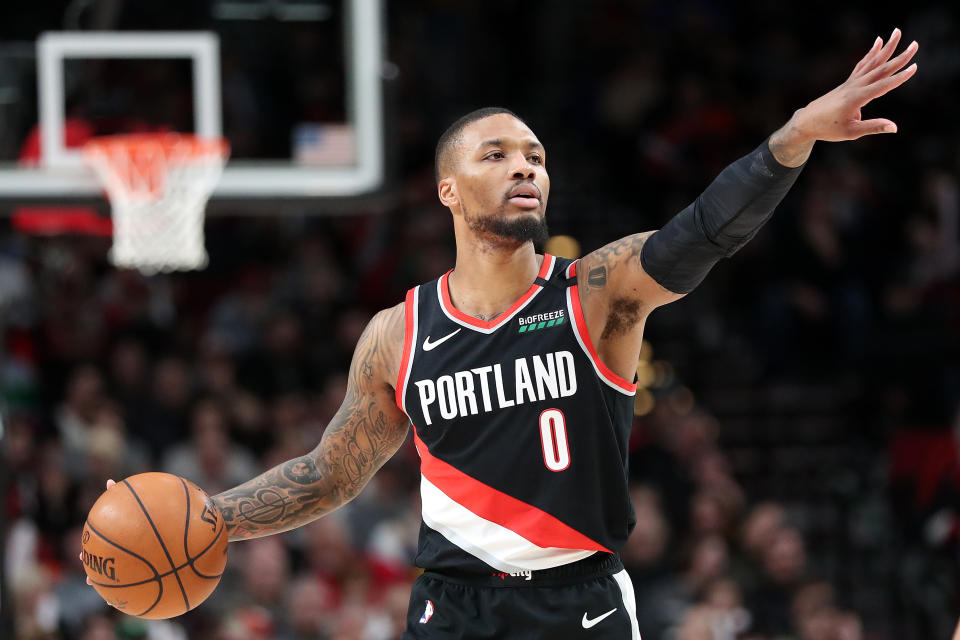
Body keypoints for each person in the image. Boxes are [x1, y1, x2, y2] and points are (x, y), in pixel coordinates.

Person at [86, 29, 918, 639]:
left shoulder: (595, 294)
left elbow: (701, 232)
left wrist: (792, 139)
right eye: (497, 154)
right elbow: (328, 474)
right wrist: (215, 519)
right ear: (448, 190)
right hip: (452, 608)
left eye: (536, 155)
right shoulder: (397, 333)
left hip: (580, 604)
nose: (526, 166)